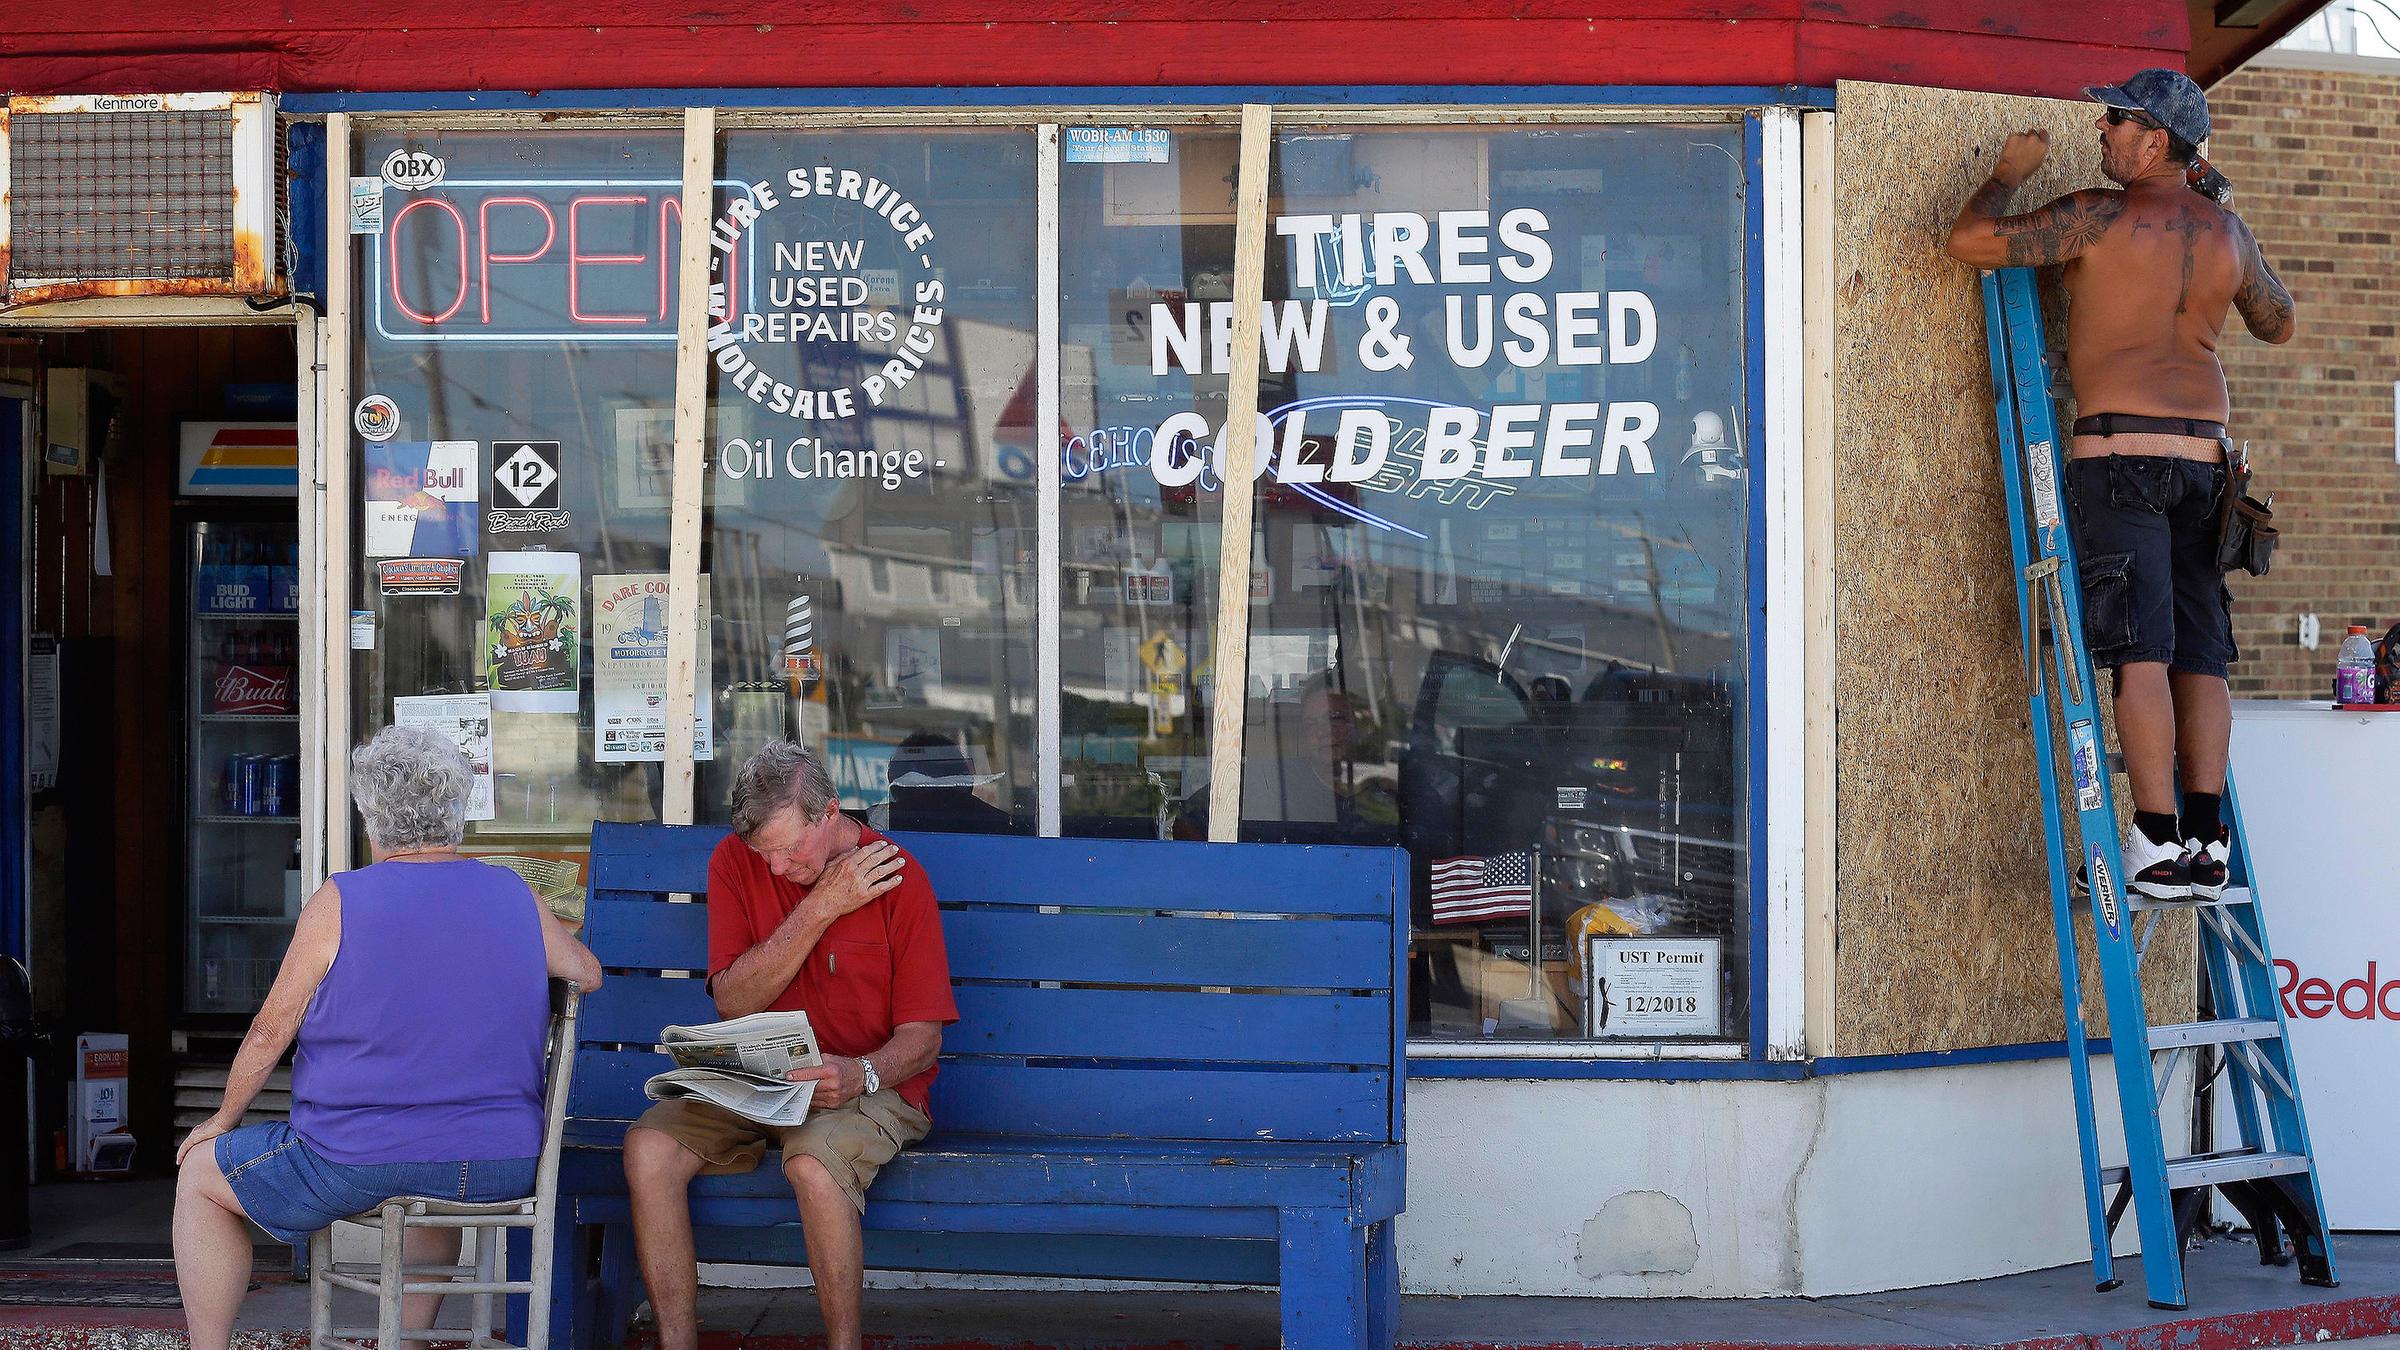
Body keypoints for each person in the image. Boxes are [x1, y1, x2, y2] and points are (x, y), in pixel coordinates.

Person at [1943, 67, 2296, 902]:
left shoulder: (2097, 214)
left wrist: (2007, 174)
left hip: (2121, 459)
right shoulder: (2228, 234)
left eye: (2115, 121)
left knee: (2141, 656)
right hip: (2208, 467)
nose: (2102, 132)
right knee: (2201, 658)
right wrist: (2222, 204)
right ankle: (2208, 842)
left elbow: (1967, 244)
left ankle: (2155, 839)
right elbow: (2279, 321)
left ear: (2155, 140)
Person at [172, 726, 603, 1350]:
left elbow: (271, 1028)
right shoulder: (513, 893)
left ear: (372, 817)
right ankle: (404, 1341)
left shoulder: (342, 901)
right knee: (433, 1172)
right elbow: (585, 974)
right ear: (457, 814)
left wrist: (222, 1117)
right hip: (494, 1161)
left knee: (201, 1177)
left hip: (356, 1158)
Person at [622, 741, 957, 1350]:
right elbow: (732, 1000)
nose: (776, 868)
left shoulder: (897, 877)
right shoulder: (733, 861)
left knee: (812, 1164)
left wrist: (860, 1074)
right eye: (764, 854)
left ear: (829, 812)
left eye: (789, 848)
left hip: (866, 1087)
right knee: (649, 1147)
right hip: (760, 1081)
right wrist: (820, 906)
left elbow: (923, 1038)